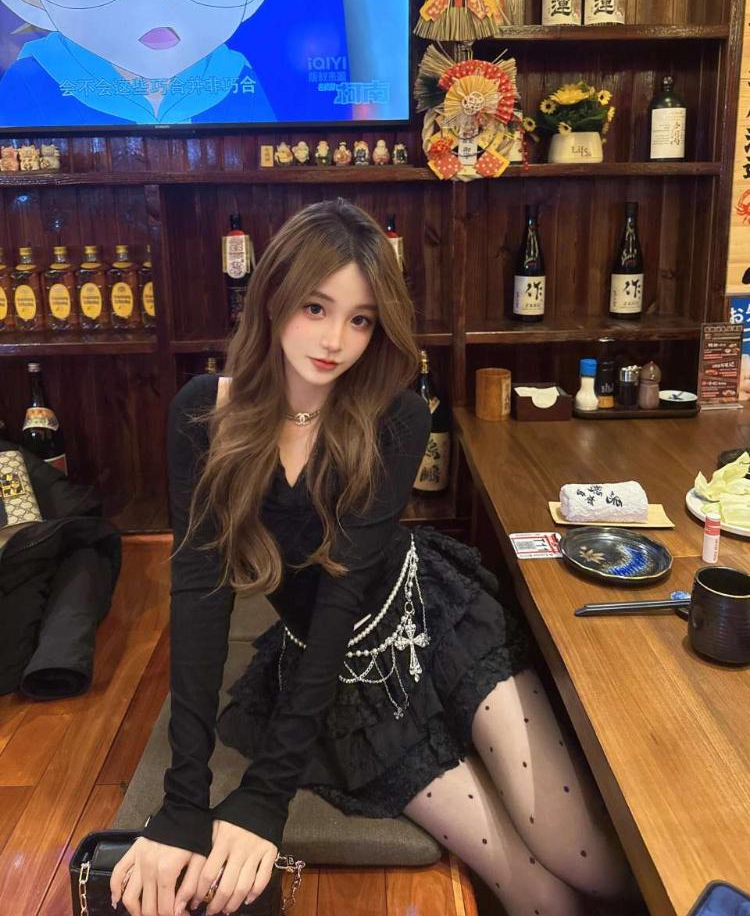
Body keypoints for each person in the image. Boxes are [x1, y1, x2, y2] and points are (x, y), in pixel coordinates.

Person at [111, 199, 639, 916]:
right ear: (272, 296)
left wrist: (264, 798)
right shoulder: (204, 413)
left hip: (431, 620)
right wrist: (184, 803)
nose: (335, 340)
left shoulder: (396, 416)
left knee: (586, 857)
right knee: (535, 890)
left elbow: (343, 591)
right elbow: (200, 598)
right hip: (342, 678)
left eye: (360, 320)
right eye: (316, 307)